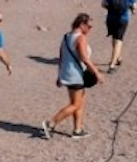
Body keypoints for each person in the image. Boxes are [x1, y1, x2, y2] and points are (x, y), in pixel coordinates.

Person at [41, 12, 103, 140]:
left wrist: (59, 75)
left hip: (68, 73)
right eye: (89, 26)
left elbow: (61, 58)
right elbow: (84, 58)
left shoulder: (66, 37)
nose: (90, 29)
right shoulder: (80, 38)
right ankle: (51, 123)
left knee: (80, 102)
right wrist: (96, 72)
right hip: (76, 75)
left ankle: (77, 129)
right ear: (82, 24)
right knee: (75, 104)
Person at [101, 0, 137, 72]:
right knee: (119, 40)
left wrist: (111, 8)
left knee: (114, 38)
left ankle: (118, 57)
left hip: (111, 18)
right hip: (123, 18)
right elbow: (134, 6)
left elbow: (103, 4)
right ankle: (112, 65)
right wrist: (132, 10)